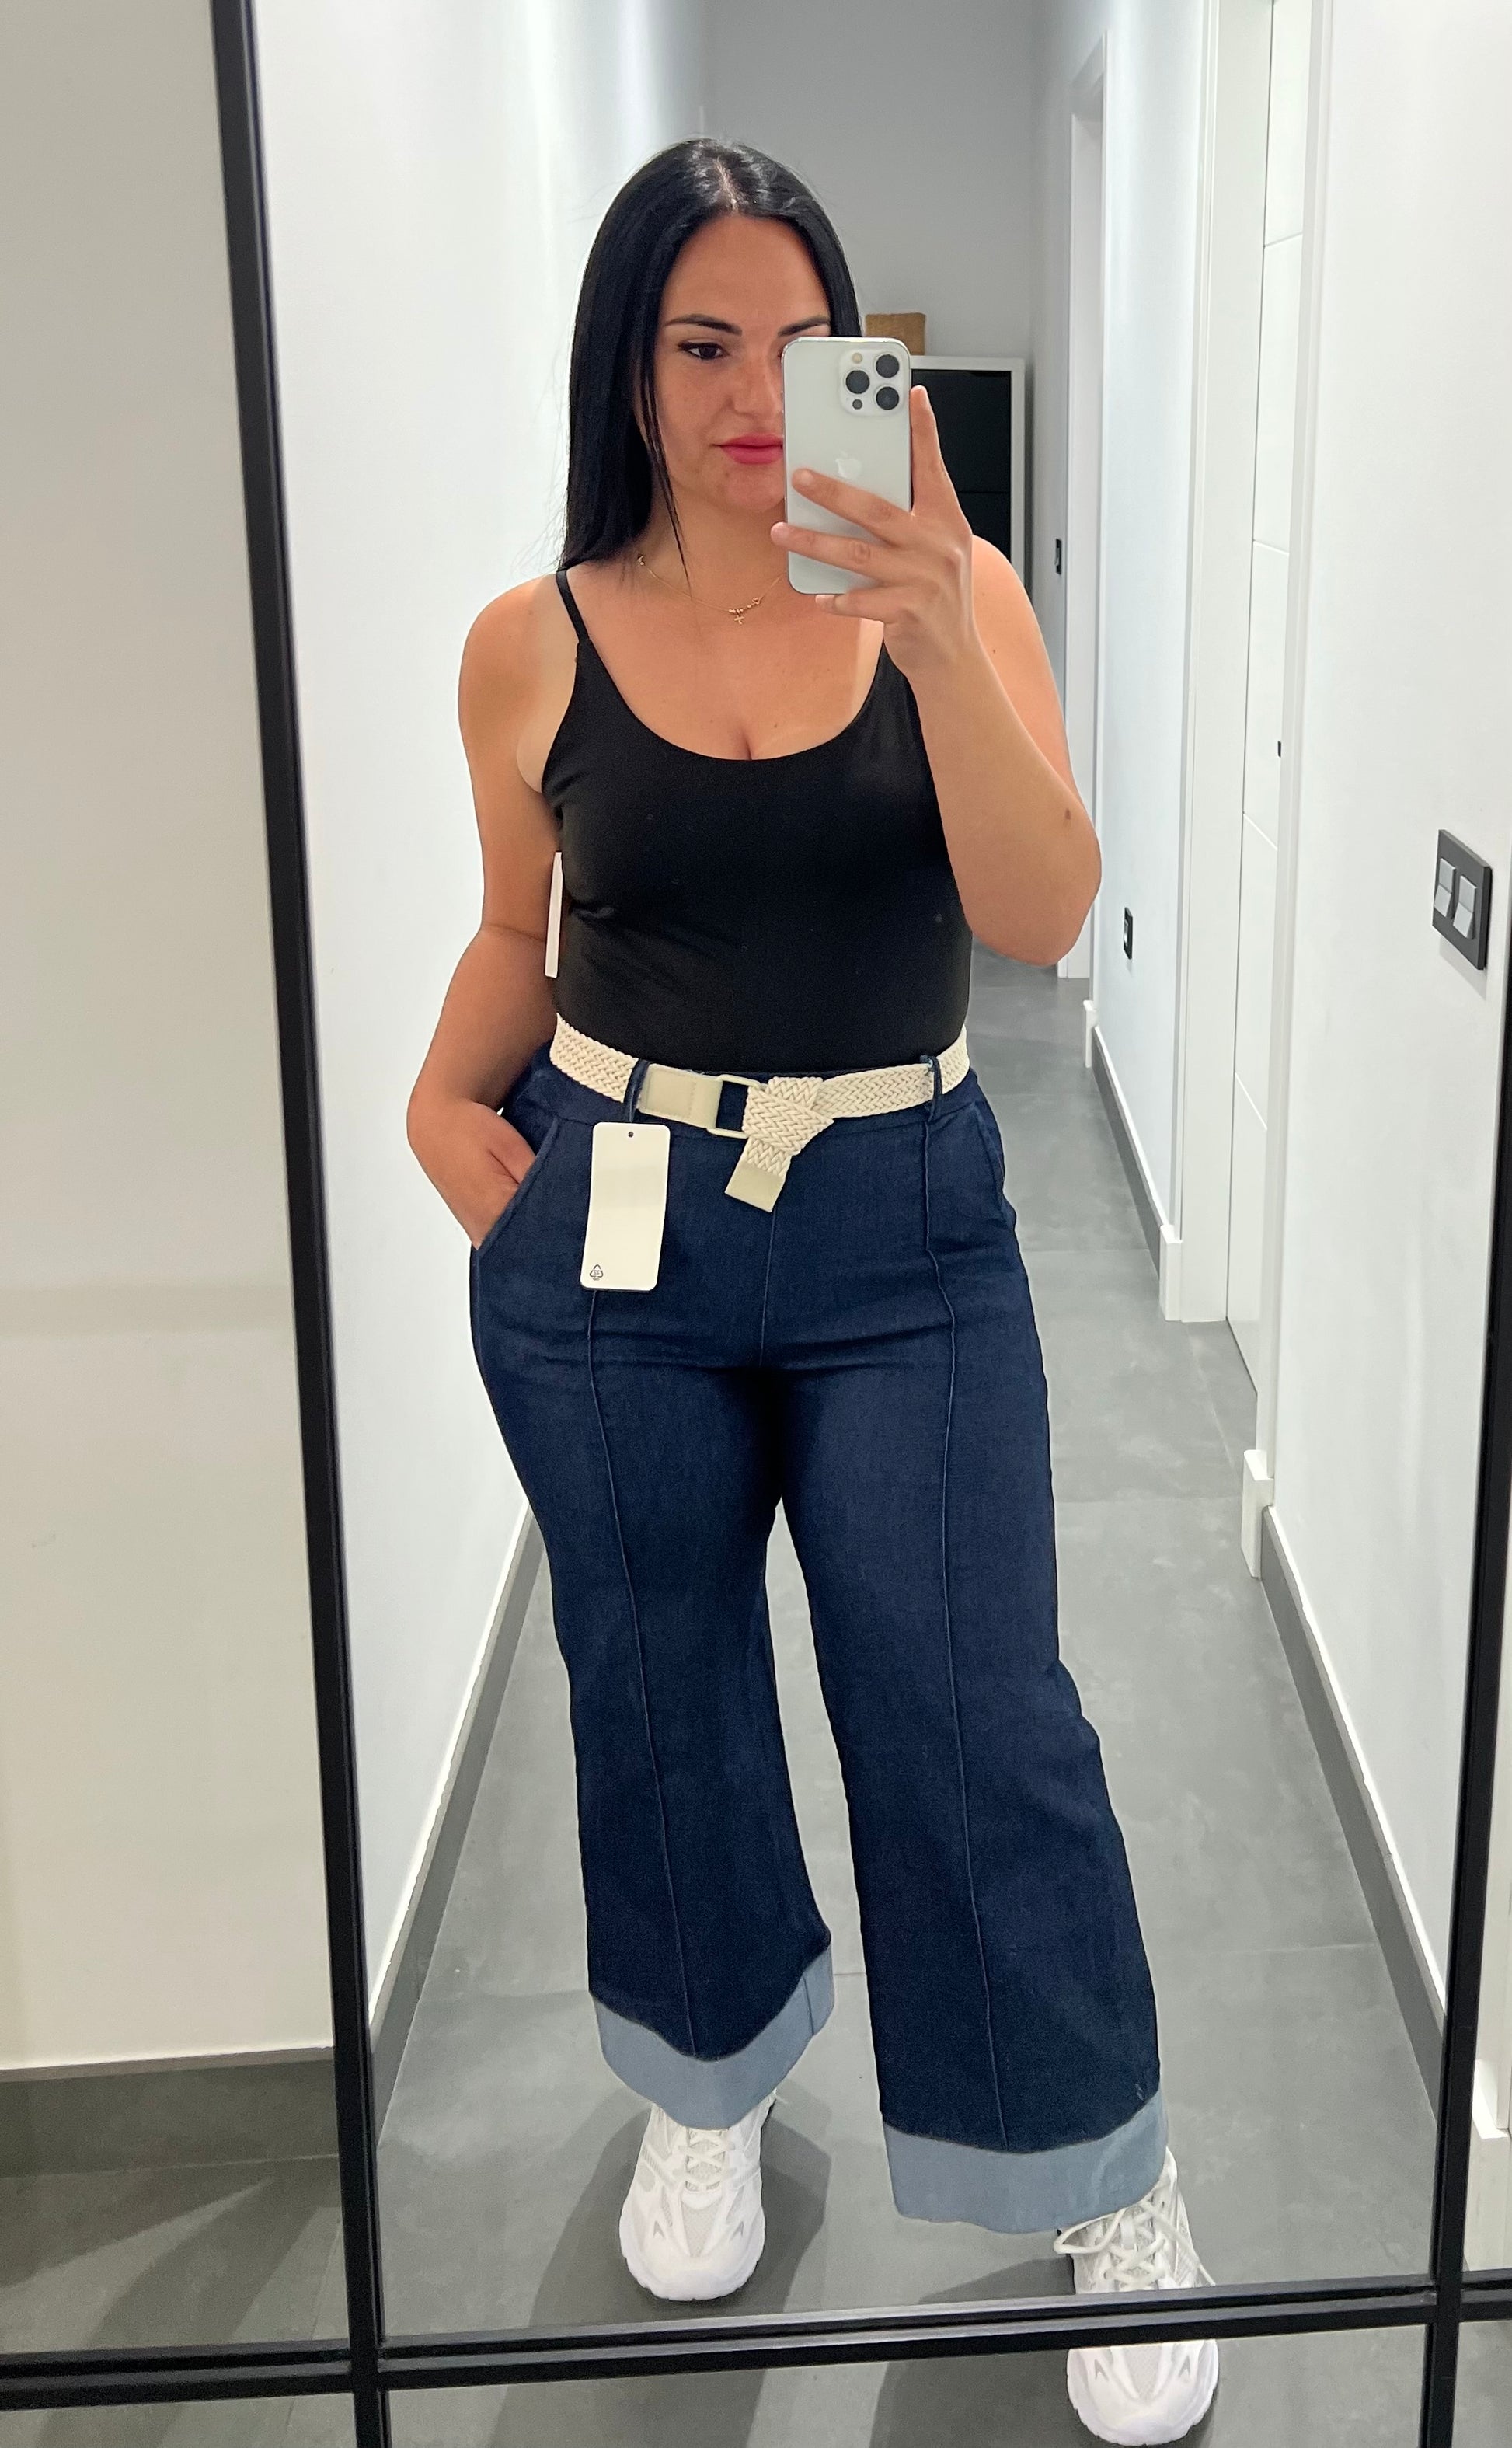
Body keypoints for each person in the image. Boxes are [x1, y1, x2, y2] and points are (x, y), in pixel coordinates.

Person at [406, 136, 1217, 2447]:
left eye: (799, 344)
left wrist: (942, 625)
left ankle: (1102, 2164)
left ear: (868, 363)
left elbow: (1041, 914)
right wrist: (441, 1105)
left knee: (973, 1707)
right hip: (614, 1232)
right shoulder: (532, 640)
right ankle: (709, 2082)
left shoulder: (945, 594)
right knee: (657, 1690)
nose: (755, 396)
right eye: (701, 345)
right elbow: (522, 925)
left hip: (905, 1229)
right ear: (630, 370)